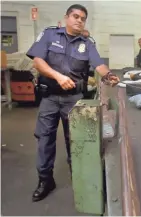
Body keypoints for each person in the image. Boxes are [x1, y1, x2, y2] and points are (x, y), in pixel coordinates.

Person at [26, 4, 119, 202]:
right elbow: (37, 62)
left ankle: (78, 178)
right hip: (49, 98)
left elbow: (98, 64)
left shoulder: (87, 43)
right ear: (67, 17)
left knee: (76, 140)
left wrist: (109, 75)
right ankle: (45, 180)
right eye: (75, 16)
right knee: (45, 139)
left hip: (73, 100)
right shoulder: (50, 35)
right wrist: (58, 77)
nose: (79, 20)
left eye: (83, 18)